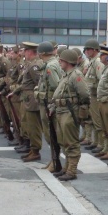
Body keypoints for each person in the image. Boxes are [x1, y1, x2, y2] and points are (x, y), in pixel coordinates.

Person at [50, 49, 90, 181]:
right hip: (61, 111)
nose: (59, 62)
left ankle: (71, 170)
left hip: (69, 111)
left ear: (68, 61)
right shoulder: (66, 75)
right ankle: (66, 168)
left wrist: (81, 111)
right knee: (63, 141)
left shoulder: (76, 75)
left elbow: (84, 94)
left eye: (61, 60)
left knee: (71, 142)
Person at [8, 42, 43, 162]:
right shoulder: (30, 64)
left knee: (34, 127)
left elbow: (39, 83)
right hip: (27, 98)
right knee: (28, 124)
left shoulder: (34, 65)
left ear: (29, 52)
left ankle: (35, 150)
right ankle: (32, 149)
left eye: (25, 51)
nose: (24, 54)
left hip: (32, 99)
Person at [36, 41, 63, 171]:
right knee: (51, 133)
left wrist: (39, 93)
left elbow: (56, 86)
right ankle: (53, 159)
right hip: (47, 102)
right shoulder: (51, 63)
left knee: (50, 134)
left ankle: (55, 161)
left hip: (48, 103)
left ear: (42, 53)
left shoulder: (50, 67)